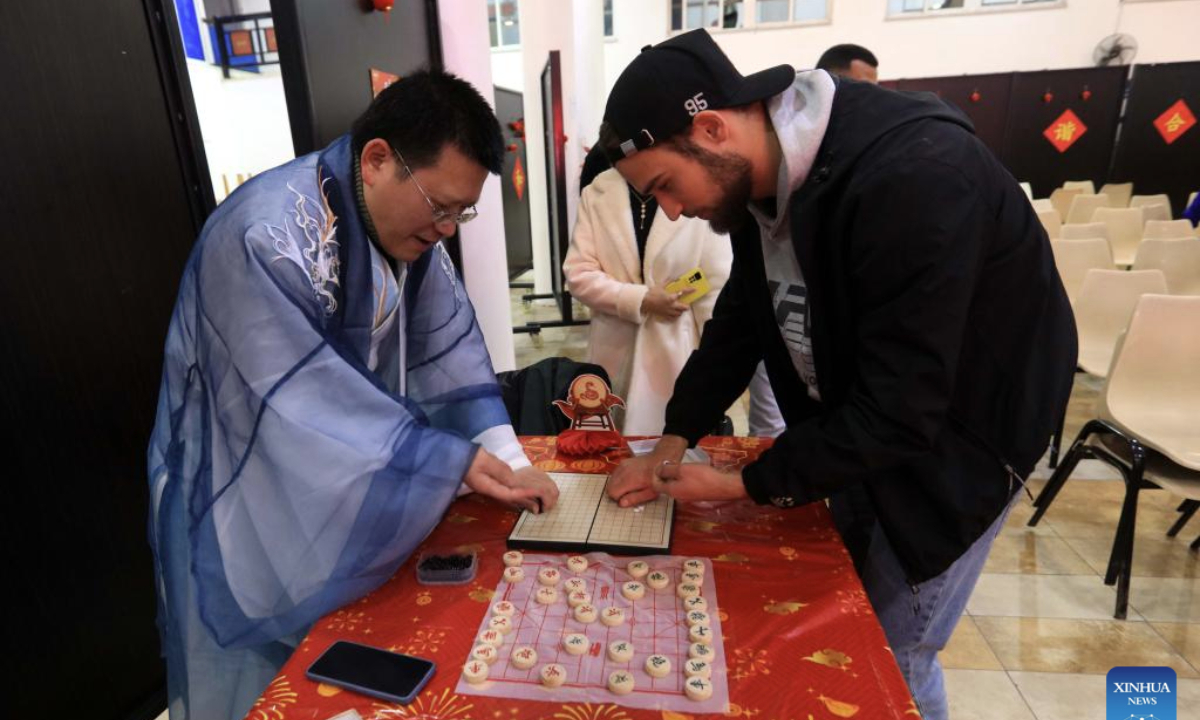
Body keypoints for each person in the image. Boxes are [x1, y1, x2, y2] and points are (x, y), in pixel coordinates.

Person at [600, 31, 1076, 720]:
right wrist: (673, 439)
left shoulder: (915, 174)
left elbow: (905, 410)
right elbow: (743, 318)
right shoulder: (753, 178)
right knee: (838, 608)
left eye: (665, 187)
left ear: (710, 127)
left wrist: (743, 484)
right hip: (861, 423)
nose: (672, 211)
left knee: (891, 649)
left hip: (961, 442)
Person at [147, 70, 559, 720]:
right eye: (441, 206)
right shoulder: (266, 236)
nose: (448, 229)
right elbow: (298, 403)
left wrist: (506, 458)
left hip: (345, 468)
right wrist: (438, 460)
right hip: (249, 476)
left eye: (462, 212)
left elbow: (443, 352)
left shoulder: (404, 230)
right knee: (269, 678)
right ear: (376, 160)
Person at [564, 156, 732, 435]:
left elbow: (716, 283)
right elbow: (579, 273)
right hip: (613, 346)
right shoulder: (598, 191)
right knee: (609, 449)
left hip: (677, 348)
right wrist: (638, 299)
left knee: (677, 445)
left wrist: (715, 363)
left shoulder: (694, 184)